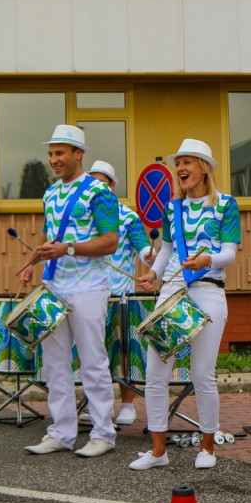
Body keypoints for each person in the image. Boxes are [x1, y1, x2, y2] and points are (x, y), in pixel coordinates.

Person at [130, 139, 239, 471]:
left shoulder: (225, 204)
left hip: (208, 289)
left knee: (202, 373)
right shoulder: (171, 207)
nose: (180, 169)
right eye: (179, 163)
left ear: (204, 168)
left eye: (188, 162)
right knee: (155, 371)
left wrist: (207, 259)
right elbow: (166, 250)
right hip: (173, 291)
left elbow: (230, 254)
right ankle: (158, 451)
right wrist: (152, 274)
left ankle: (207, 446)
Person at [19, 125, 119, 458]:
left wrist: (69, 249)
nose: (53, 160)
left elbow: (110, 242)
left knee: (92, 362)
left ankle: (103, 433)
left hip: (89, 287)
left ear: (79, 154)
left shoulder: (99, 192)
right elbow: (50, 238)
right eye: (50, 154)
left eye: (60, 153)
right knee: (55, 364)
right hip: (54, 285)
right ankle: (61, 432)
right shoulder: (49, 194)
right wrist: (30, 263)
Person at [76, 160, 152, 426]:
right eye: (93, 182)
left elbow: (142, 247)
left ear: (113, 185)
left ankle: (128, 404)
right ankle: (97, 406)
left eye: (103, 182)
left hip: (121, 298)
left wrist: (152, 258)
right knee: (94, 354)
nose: (98, 187)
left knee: (123, 352)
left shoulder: (128, 217)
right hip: (90, 293)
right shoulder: (84, 214)